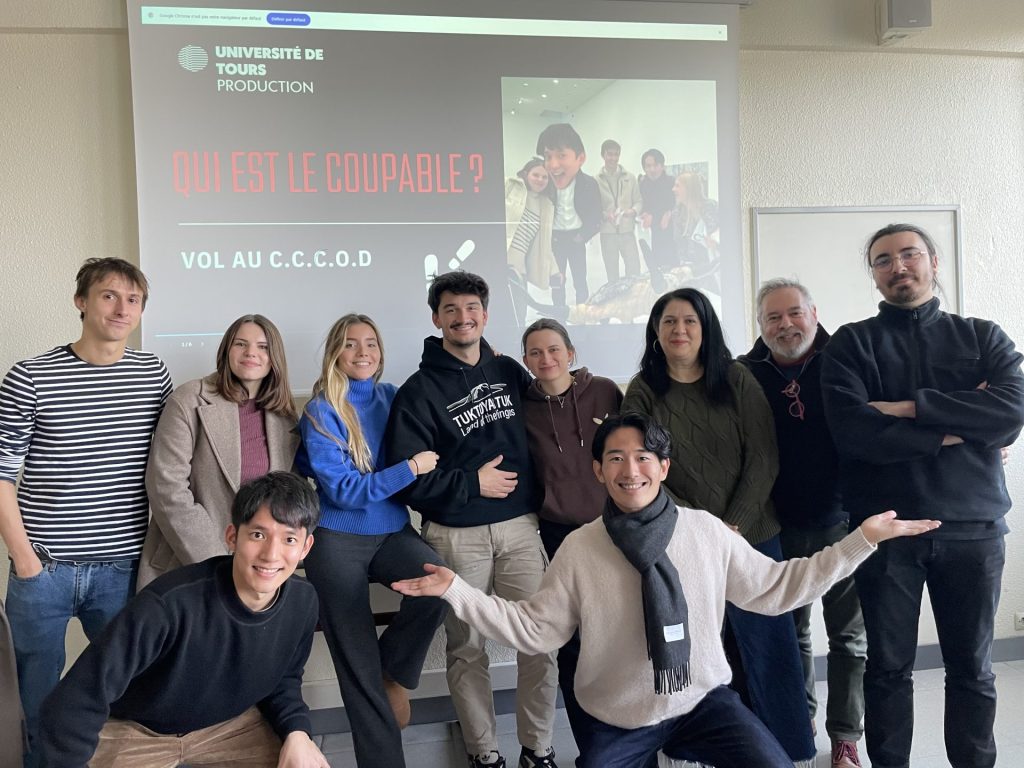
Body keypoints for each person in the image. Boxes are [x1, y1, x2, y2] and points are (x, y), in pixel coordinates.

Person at [391, 413, 941, 768]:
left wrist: (860, 540)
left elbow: (778, 589)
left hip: (703, 700)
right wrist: (455, 589)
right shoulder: (582, 548)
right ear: (598, 472)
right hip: (618, 717)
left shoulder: (703, 530)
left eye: (643, 457)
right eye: (616, 459)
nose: (631, 470)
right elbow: (537, 630)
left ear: (664, 466)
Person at [821, 223, 1024, 768]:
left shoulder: (984, 336)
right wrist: (958, 426)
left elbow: (1010, 412)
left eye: (909, 255)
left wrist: (904, 408)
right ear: (875, 275)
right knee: (888, 670)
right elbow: (853, 432)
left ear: (934, 261)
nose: (898, 267)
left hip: (974, 528)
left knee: (973, 670)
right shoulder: (851, 343)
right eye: (883, 260)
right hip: (885, 530)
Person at [622, 287, 817, 766]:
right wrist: (705, 527)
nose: (679, 330)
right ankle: (711, 750)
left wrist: (734, 524)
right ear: (655, 331)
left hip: (753, 537)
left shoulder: (737, 378)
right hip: (683, 539)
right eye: (668, 322)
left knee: (769, 647)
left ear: (705, 327)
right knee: (707, 649)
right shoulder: (643, 390)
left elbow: (763, 456)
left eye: (689, 320)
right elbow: (643, 469)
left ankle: (785, 751)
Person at [0, 257, 171, 767]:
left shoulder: (152, 374)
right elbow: (2, 477)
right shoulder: (31, 376)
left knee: (128, 691)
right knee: (33, 702)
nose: (122, 309)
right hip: (43, 570)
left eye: (133, 299)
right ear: (81, 302)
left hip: (121, 569)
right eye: (108, 296)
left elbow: (168, 465)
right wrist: (26, 560)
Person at [384, 271, 558, 768]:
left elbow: (545, 424)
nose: (463, 317)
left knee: (539, 639)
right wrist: (470, 484)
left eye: (472, 308)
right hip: (455, 536)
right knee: (466, 650)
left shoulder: (508, 371)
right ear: (436, 317)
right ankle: (484, 754)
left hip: (520, 528)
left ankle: (539, 749)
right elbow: (409, 479)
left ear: (485, 314)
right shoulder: (416, 392)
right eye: (452, 310)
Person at [38, 471, 328, 768]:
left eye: (289, 539)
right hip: (138, 732)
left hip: (229, 728)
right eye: (258, 535)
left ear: (305, 547)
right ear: (232, 537)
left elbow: (283, 681)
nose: (271, 554)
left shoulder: (303, 603)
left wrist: (297, 731)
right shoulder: (169, 606)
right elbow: (74, 702)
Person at [295, 313, 450, 768]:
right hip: (335, 537)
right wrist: (410, 469)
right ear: (335, 354)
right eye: (350, 344)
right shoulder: (321, 410)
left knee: (440, 586)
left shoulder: (392, 397)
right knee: (355, 659)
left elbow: (439, 400)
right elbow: (343, 491)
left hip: (391, 532)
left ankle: (393, 676)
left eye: (371, 344)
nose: (363, 352)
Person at [739, 279, 866, 768]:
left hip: (845, 523)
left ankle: (846, 737)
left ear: (814, 312)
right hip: (775, 529)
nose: (785, 324)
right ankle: (799, 721)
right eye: (773, 317)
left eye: (794, 313)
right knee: (791, 635)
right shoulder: (744, 374)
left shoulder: (848, 358)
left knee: (850, 639)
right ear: (760, 324)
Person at [520, 318, 622, 761]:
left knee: (620, 634)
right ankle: (591, 749)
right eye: (536, 353)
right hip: (558, 534)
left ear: (571, 353)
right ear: (525, 361)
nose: (547, 360)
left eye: (554, 350)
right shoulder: (520, 406)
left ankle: (632, 740)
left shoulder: (604, 392)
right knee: (574, 643)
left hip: (613, 528)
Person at [138, 313, 299, 589]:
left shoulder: (285, 417)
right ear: (226, 350)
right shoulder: (187, 400)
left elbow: (286, 499)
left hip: (260, 569)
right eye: (240, 344)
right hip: (189, 562)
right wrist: (219, 563)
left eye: (263, 347)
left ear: (275, 358)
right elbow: (167, 488)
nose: (251, 353)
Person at [536, 123, 601, 307]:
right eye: (548, 157)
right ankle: (559, 313)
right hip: (555, 239)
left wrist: (582, 236)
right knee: (557, 280)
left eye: (562, 155)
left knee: (580, 278)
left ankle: (583, 310)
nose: (554, 164)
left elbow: (597, 217)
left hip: (576, 238)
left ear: (580, 158)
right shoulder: (545, 184)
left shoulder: (589, 184)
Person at [506, 159, 559, 324]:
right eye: (536, 175)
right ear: (526, 174)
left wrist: (555, 270)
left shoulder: (546, 205)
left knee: (519, 316)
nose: (540, 180)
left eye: (545, 177)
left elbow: (545, 244)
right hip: (502, 261)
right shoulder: (511, 186)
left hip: (519, 269)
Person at [595, 139, 642, 282]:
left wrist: (633, 211)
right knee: (612, 272)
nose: (613, 158)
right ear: (603, 155)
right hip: (607, 233)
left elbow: (639, 201)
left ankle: (634, 299)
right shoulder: (595, 180)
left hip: (627, 231)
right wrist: (604, 215)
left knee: (634, 269)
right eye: (610, 154)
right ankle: (615, 301)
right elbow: (594, 208)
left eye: (616, 154)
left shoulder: (630, 178)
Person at [670, 172, 719, 281]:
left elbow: (721, 235)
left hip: (713, 269)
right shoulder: (677, 212)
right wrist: (684, 266)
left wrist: (715, 238)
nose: (673, 189)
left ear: (689, 188)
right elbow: (679, 243)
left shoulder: (710, 207)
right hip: (691, 270)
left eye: (677, 186)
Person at [638, 149, 675, 282]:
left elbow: (676, 205)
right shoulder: (643, 184)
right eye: (648, 166)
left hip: (671, 231)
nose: (652, 169)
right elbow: (643, 206)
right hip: (654, 232)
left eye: (655, 165)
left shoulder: (672, 182)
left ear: (662, 165)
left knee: (673, 267)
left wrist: (669, 213)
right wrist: (645, 213)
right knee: (657, 267)